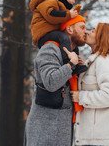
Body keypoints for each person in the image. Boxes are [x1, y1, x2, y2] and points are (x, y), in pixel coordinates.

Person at [24, 15, 87, 146]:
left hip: (61, 128)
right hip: (45, 129)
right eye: (82, 27)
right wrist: (70, 64)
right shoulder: (50, 48)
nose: (85, 31)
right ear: (69, 29)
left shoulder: (73, 54)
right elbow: (51, 82)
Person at [70, 23, 109, 146]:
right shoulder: (95, 61)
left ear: (102, 37)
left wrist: (81, 97)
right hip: (97, 138)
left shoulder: (104, 61)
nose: (88, 32)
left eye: (93, 31)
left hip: (102, 139)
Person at [29, 0, 80, 65]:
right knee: (64, 37)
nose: (73, 1)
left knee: (73, 42)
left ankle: (77, 62)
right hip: (43, 33)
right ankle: (67, 62)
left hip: (52, 32)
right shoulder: (49, 1)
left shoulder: (60, 5)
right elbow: (51, 15)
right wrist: (68, 15)